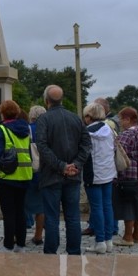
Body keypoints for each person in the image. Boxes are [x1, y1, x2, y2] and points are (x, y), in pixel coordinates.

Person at [35, 85, 91, 255]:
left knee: (52, 218)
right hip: (72, 176)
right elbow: (86, 145)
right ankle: (74, 251)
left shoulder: (43, 120)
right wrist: (75, 165)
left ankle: (51, 252)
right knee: (72, 217)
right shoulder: (76, 119)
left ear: (46, 101)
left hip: (52, 176)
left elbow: (42, 147)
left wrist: (64, 166)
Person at [0, 100, 33, 252]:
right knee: (20, 211)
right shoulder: (26, 129)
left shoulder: (2, 129)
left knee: (8, 213)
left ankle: (8, 245)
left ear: (3, 113)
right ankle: (21, 244)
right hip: (25, 175)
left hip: (7, 177)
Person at [82, 102, 116, 254]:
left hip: (93, 173)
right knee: (107, 206)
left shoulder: (87, 132)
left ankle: (100, 241)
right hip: (108, 172)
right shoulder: (109, 128)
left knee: (96, 207)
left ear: (89, 116)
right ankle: (108, 240)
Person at [115, 106, 138, 247]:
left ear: (127, 119)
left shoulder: (126, 134)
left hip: (129, 175)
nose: (120, 122)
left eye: (120, 119)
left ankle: (127, 236)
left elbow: (118, 153)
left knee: (128, 204)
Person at [26, 106, 46, 246]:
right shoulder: (49, 129)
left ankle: (18, 235)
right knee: (41, 206)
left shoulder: (28, 129)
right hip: (46, 171)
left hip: (30, 170)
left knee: (24, 204)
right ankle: (38, 235)